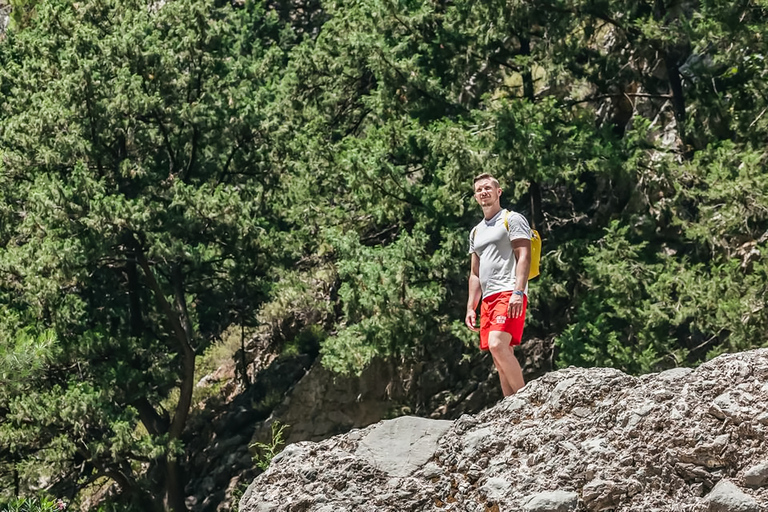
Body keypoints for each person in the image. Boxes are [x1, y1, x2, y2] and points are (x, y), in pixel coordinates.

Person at [465, 173, 532, 397]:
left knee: (497, 344)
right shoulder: (476, 231)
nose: (483, 192)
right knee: (499, 355)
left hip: (509, 291)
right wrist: (470, 307)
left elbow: (524, 256)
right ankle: (510, 407)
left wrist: (518, 291)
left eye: (488, 188)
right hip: (488, 298)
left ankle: (525, 400)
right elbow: (475, 273)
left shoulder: (511, 219)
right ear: (475, 196)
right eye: (479, 190)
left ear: (498, 191)